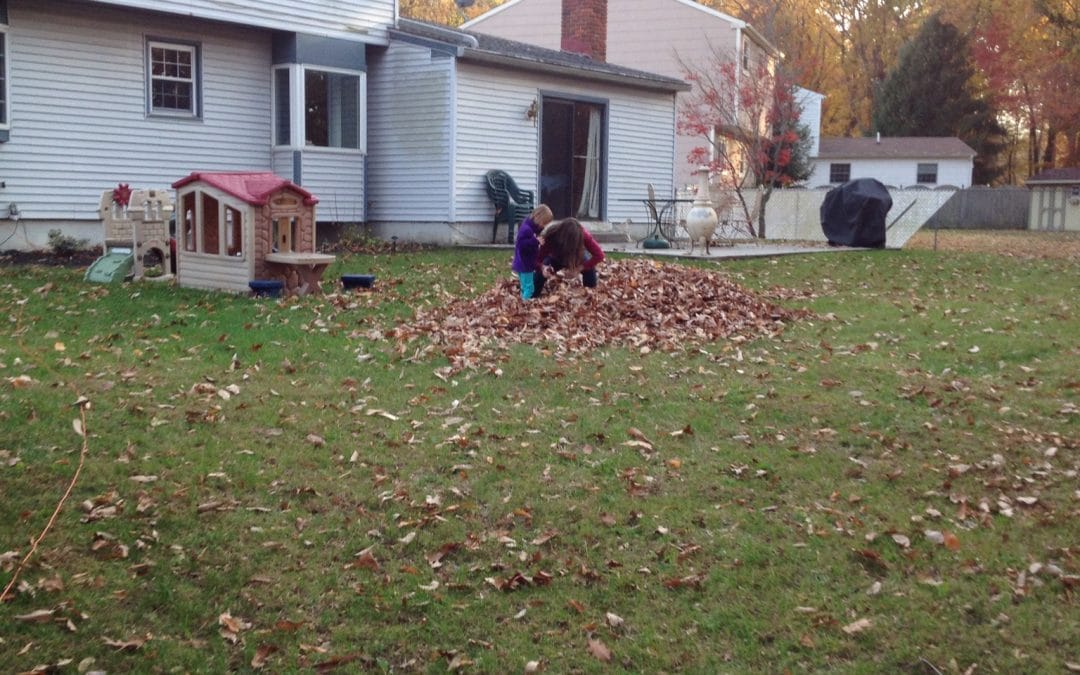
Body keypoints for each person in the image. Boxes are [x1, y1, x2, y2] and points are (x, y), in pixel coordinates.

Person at [538, 217, 605, 291]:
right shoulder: (551, 234)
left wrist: (579, 268)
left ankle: (589, 292)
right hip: (555, 257)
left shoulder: (583, 235)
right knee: (540, 273)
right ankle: (533, 295)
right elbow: (539, 257)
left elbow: (599, 255)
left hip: (577, 256)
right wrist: (543, 267)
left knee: (590, 270)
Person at [511, 204, 554, 299]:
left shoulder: (530, 227)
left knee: (525, 287)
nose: (544, 226)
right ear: (538, 218)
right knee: (529, 288)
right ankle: (525, 305)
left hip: (524, 263)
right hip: (525, 264)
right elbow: (521, 246)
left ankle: (522, 302)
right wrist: (535, 241)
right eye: (544, 223)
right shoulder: (527, 230)